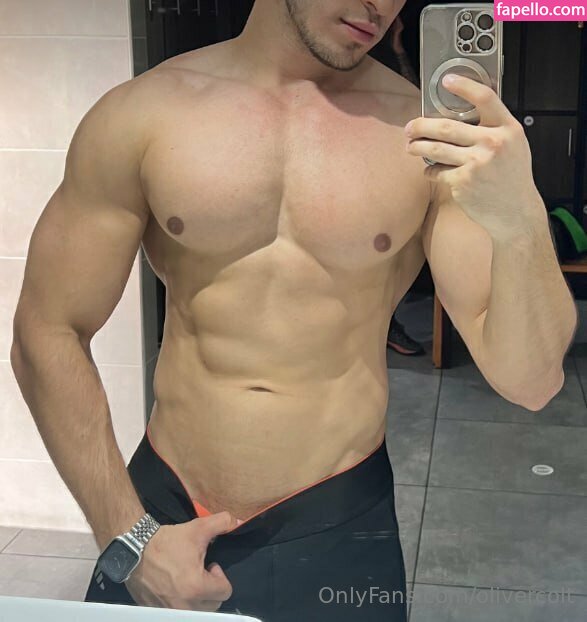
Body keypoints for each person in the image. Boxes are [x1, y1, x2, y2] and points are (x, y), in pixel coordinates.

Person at [14, 0, 565, 620]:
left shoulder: (426, 137)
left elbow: (531, 380)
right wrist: (129, 536)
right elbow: (48, 328)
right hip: (160, 513)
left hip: (338, 522)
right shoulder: (144, 113)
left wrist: (522, 215)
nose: (380, 5)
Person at [385, 14, 425, 356]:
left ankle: (387, 325)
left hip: (399, 170)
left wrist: (397, 45)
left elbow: (416, 99)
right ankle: (386, 326)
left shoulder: (391, 63)